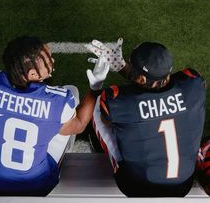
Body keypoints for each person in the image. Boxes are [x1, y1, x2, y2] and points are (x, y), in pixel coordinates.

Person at [0, 35, 109, 196]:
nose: (52, 59)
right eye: (47, 59)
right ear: (32, 74)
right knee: (71, 93)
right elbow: (79, 124)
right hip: (37, 184)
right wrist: (95, 89)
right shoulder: (58, 100)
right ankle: (68, 143)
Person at [86, 39, 207, 197]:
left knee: (97, 107)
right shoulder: (194, 83)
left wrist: (96, 88)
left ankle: (99, 146)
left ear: (142, 79)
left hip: (134, 185)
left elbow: (107, 112)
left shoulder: (118, 100)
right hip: (183, 185)